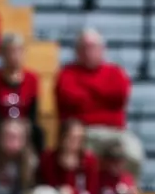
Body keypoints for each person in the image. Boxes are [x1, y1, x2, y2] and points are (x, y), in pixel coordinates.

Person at [54, 29, 141, 174]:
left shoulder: (115, 72)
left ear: (102, 49)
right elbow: (69, 99)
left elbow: (120, 96)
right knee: (84, 158)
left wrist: (87, 94)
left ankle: (126, 191)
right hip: (83, 133)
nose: (88, 52)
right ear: (77, 51)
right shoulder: (66, 74)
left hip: (115, 132)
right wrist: (102, 96)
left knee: (133, 154)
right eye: (84, 48)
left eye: (92, 47)